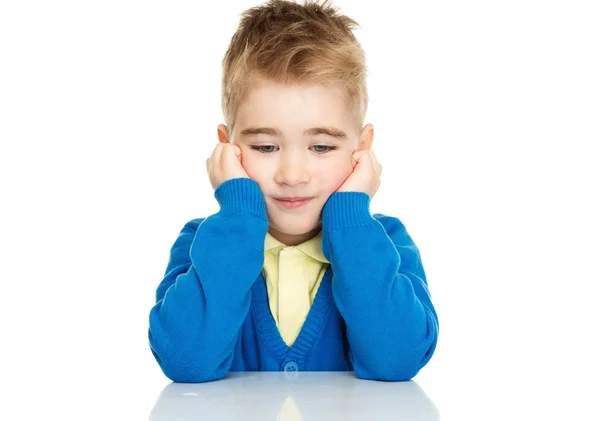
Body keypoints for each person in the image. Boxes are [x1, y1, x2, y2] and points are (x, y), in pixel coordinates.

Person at [148, 0, 438, 383]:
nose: (292, 174)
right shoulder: (204, 242)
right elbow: (186, 364)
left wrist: (351, 217)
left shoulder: (384, 242)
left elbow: (398, 361)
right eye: (266, 147)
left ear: (361, 150)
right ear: (227, 147)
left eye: (321, 147)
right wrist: (237, 216)